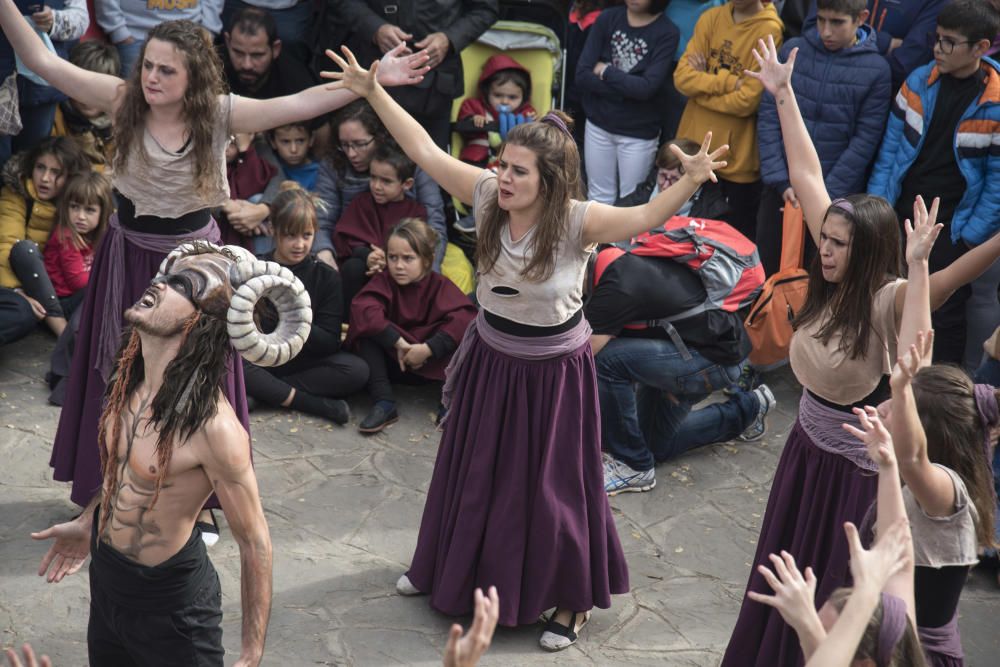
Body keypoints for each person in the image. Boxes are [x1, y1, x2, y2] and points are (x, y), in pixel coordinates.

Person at [325, 44, 727, 649]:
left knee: (554, 488)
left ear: (550, 181)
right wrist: (373, 91)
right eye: (502, 165)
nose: (503, 177)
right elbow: (426, 151)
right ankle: (444, 570)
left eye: (518, 171)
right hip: (491, 359)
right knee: (474, 472)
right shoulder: (487, 195)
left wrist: (691, 180)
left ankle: (571, 603)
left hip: (551, 374)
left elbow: (644, 217)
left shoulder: (576, 221)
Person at [0, 7, 429, 513]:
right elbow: (40, 61)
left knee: (195, 382)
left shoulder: (220, 113)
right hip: (129, 259)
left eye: (166, 69)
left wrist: (375, 81)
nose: (151, 77)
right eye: (149, 66)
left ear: (194, 76)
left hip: (193, 269)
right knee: (121, 377)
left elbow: (297, 103)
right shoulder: (123, 99)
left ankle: (196, 504)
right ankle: (108, 490)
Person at [722, 35, 1000, 665]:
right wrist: (785, 95)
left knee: (830, 591)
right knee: (781, 577)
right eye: (826, 238)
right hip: (804, 452)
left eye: (840, 244)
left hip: (855, 474)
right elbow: (808, 174)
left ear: (867, 249)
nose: (825, 249)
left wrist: (924, 264)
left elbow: (917, 354)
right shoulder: (829, 269)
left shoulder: (890, 296)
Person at [30, 242, 311, 666]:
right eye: (165, 275)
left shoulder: (215, 429)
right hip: (107, 583)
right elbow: (120, 475)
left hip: (172, 611)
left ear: (199, 322)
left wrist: (252, 653)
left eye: (180, 284)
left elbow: (255, 542)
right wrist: (88, 522)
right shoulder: (128, 382)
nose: (158, 283)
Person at [868, 0, 1000, 367]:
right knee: (889, 299)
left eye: (949, 42)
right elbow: (889, 153)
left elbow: (996, 186)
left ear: (981, 48)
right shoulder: (916, 82)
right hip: (901, 216)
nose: (938, 49)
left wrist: (970, 238)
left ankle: (935, 398)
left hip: (952, 228)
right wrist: (880, 209)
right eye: (936, 39)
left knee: (944, 314)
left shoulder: (995, 104)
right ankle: (887, 380)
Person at [588, 245, 776, 495]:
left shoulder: (615, 285)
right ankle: (748, 408)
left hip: (712, 360)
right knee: (654, 446)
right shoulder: (615, 255)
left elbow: (582, 361)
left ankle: (632, 467)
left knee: (607, 361)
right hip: (698, 347)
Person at [749, 407, 925, 666]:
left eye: (832, 637)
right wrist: (887, 465)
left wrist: (865, 590)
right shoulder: (897, 632)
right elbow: (900, 561)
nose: (824, 640)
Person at [884, 332, 997, 665]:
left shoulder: (947, 490)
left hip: (918, 654)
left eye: (895, 406)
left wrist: (902, 388)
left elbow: (912, 459)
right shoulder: (926, 478)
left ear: (923, 433)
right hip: (894, 636)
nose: (882, 409)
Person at [755, 0, 891, 276]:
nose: (826, 31)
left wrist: (819, 195)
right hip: (781, 190)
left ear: (861, 18)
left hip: (832, 197)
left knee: (818, 276)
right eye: (821, 20)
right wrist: (781, 180)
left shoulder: (877, 69)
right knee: (766, 270)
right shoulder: (795, 50)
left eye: (837, 22)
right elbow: (769, 117)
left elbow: (865, 140)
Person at [244, 185, 368, 422]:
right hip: (261, 359)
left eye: (306, 235)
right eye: (290, 235)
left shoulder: (327, 277)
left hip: (303, 363)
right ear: (273, 230)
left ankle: (265, 392)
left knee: (357, 370)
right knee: (229, 362)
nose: (299, 244)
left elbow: (330, 342)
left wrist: (293, 319)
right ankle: (311, 404)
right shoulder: (257, 270)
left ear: (315, 232)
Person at [345, 218, 477, 432]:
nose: (398, 266)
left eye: (408, 258)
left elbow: (464, 318)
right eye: (393, 257)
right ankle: (384, 402)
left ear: (427, 260)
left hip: (431, 362)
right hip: (395, 361)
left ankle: (448, 400)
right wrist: (397, 342)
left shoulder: (439, 285)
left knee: (464, 333)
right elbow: (364, 308)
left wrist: (428, 349)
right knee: (366, 331)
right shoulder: (385, 281)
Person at [673, 0, 784, 239]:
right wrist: (730, 82)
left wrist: (700, 90)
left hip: (734, 164)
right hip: (693, 149)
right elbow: (681, 79)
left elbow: (747, 102)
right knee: (680, 234)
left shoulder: (769, 30)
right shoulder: (710, 18)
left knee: (726, 243)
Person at [335, 0, 499, 149]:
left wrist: (449, 39)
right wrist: (375, 28)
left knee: (433, 166)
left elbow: (486, 9)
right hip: (372, 76)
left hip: (434, 86)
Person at [314, 100, 447, 270]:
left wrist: (426, 269)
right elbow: (322, 220)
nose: (351, 153)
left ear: (379, 137)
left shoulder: (412, 161)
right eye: (345, 145)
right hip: (354, 252)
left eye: (360, 144)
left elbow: (434, 222)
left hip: (409, 254)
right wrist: (325, 254)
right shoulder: (332, 165)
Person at [575, 0, 679, 203]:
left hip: (638, 132)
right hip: (598, 123)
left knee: (631, 200)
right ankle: (597, 237)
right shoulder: (608, 18)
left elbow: (646, 89)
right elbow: (582, 75)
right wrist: (628, 90)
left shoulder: (667, 32)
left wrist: (606, 71)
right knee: (597, 196)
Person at [1, 136, 90, 337]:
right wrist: (15, 291)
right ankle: (63, 332)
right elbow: (6, 243)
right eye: (40, 168)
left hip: (65, 289)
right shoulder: (16, 193)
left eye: (55, 172)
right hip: (28, 289)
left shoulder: (76, 202)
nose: (45, 178)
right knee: (24, 249)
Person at [333, 142, 427, 306]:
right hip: (365, 265)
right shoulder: (361, 203)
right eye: (373, 177)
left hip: (400, 265)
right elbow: (345, 239)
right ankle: (348, 324)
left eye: (386, 181)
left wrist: (390, 259)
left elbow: (417, 246)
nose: (376, 186)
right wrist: (368, 256)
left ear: (407, 184)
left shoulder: (415, 211)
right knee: (352, 268)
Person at [804, 0, 950, 91]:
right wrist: (885, 42)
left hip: (882, 100)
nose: (827, 31)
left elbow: (904, 66)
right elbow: (812, 29)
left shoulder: (935, 3)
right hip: (814, 83)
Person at [12, 0, 88, 156]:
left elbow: (81, 18)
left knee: (33, 157)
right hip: (4, 82)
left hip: (42, 87)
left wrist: (54, 20)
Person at [40, 171, 113, 322]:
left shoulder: (97, 235)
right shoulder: (66, 236)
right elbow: (77, 283)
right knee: (102, 288)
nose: (80, 216)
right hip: (65, 302)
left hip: (81, 295)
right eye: (74, 207)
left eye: (89, 210)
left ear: (103, 212)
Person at [95, 0, 225, 76]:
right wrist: (119, 31)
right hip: (136, 35)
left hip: (191, 36)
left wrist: (208, 30)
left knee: (191, 103)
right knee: (133, 104)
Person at [455, 54, 537, 169]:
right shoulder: (473, 106)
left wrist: (532, 121)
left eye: (512, 97)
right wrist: (473, 119)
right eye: (498, 95)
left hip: (513, 160)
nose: (504, 101)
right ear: (486, 91)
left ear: (523, 97)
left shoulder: (526, 112)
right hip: (477, 159)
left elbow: (535, 135)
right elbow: (463, 126)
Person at [616, 137, 729, 219]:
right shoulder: (646, 190)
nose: (665, 186)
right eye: (662, 176)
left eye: (675, 179)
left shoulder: (714, 212)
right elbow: (618, 214)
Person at [51, 41, 120, 171]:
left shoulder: (121, 123)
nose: (88, 96)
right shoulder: (54, 117)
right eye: (81, 86)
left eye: (98, 88)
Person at [221, 6, 318, 99]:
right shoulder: (212, 70)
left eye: (257, 55)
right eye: (238, 53)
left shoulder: (298, 84)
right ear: (228, 42)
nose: (247, 65)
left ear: (275, 49)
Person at [266, 121, 319, 189]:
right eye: (285, 142)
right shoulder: (267, 165)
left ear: (311, 139)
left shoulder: (319, 173)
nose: (293, 150)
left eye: (300, 141)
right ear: (272, 142)